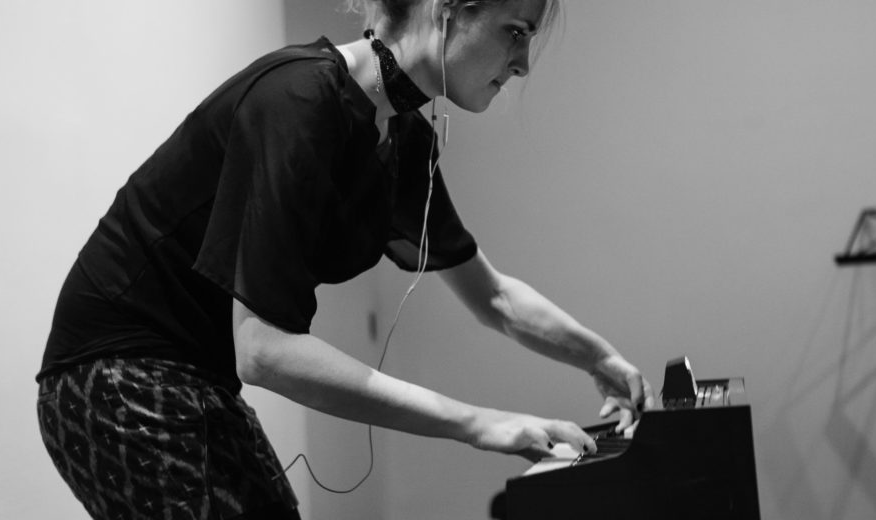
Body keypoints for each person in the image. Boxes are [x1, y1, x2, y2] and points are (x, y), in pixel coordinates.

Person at [35, 0, 654, 518]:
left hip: (199, 377)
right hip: (110, 374)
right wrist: (478, 423)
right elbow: (265, 349)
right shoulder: (297, 99)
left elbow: (490, 295)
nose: (521, 64)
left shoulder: (404, 136)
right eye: (514, 32)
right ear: (445, 11)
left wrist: (600, 358)